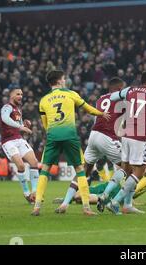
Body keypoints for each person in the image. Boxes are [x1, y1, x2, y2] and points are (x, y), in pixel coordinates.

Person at [31, 69, 110, 216]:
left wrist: (53, 133)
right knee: (80, 170)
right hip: (69, 135)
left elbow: (45, 124)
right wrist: (101, 114)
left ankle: (36, 206)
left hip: (53, 135)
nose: (65, 80)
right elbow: (88, 109)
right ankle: (86, 207)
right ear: (60, 81)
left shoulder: (43, 100)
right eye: (64, 78)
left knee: (45, 170)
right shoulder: (70, 94)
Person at [54, 77, 125, 214]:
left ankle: (65, 203)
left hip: (93, 136)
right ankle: (107, 197)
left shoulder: (101, 98)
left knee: (83, 171)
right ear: (119, 89)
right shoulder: (120, 100)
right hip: (107, 137)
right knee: (128, 168)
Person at [99, 71, 146, 215]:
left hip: (126, 134)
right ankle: (115, 202)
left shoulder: (130, 90)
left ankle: (115, 199)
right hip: (139, 137)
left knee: (125, 169)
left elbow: (112, 97)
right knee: (138, 173)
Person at [0, 87, 40, 203]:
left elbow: (19, 124)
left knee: (34, 162)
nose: (21, 96)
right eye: (18, 94)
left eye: (22, 94)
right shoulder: (6, 107)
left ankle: (35, 192)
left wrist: (25, 125)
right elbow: (5, 119)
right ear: (11, 96)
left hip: (19, 139)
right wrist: (20, 126)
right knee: (21, 166)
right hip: (8, 141)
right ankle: (26, 193)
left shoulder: (18, 109)